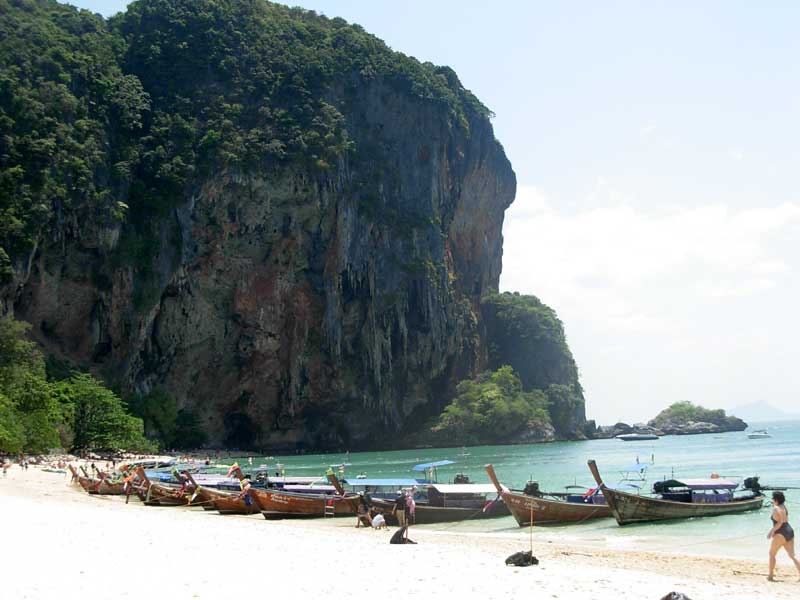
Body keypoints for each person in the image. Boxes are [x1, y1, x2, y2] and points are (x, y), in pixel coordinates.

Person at [767, 491, 800, 581]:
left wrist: (771, 531)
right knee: (792, 555)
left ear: (776, 499)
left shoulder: (776, 508)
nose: (772, 500)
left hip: (780, 532)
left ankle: (770, 575)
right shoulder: (783, 507)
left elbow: (780, 522)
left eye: (773, 498)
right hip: (789, 530)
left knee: (772, 554)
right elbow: (785, 520)